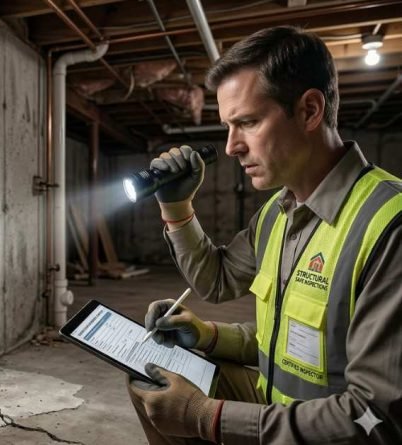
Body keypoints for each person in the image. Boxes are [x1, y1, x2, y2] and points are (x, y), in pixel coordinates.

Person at [126, 26, 402, 444]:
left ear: (310, 110)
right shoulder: (278, 211)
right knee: (153, 385)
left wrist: (206, 417)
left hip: (334, 430)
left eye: (248, 122)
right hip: (277, 406)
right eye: (228, 126)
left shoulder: (388, 225)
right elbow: (218, 283)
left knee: (183, 409)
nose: (232, 146)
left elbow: (375, 417)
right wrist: (177, 209)